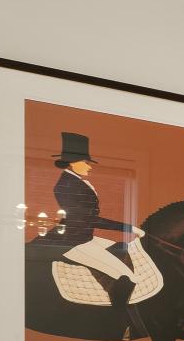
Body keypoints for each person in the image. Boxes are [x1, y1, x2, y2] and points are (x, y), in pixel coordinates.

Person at [50, 132, 143, 327]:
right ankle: (118, 323)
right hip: (75, 242)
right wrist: (129, 227)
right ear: (73, 162)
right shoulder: (66, 186)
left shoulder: (78, 181)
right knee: (128, 277)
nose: (90, 166)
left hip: (86, 237)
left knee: (122, 248)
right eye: (86, 161)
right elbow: (90, 219)